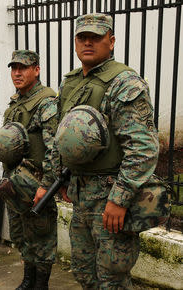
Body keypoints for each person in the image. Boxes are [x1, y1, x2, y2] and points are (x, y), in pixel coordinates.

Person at [56, 13, 159, 288]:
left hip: (110, 197)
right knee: (83, 272)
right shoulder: (70, 83)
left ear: (111, 41)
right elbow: (63, 135)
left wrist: (120, 199)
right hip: (80, 194)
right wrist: (62, 177)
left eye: (96, 37)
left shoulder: (125, 82)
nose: (87, 43)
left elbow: (143, 148)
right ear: (75, 42)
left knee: (112, 278)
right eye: (82, 37)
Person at [1, 50, 59, 289]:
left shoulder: (46, 101)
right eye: (14, 68)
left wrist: (47, 185)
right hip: (16, 180)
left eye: (23, 68)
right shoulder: (17, 101)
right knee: (22, 233)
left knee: (41, 236)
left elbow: (54, 148)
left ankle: (40, 284)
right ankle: (28, 279)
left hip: (35, 182)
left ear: (36, 70)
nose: (17, 73)